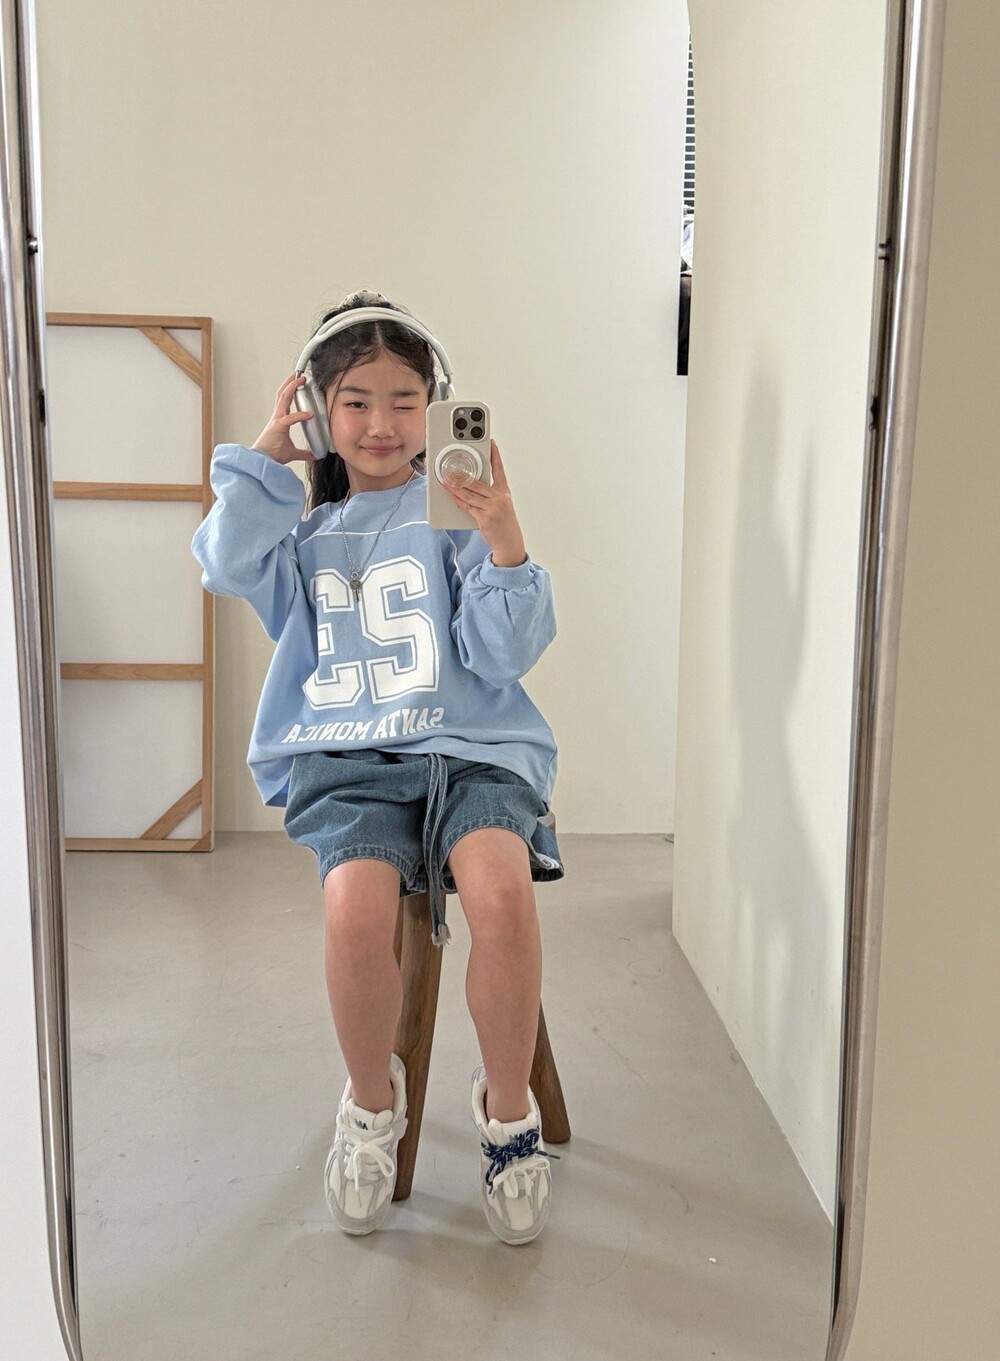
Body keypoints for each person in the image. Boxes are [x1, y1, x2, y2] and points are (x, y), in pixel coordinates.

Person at [191, 291, 565, 1245]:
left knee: (501, 896)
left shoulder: (455, 516)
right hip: (350, 763)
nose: (383, 423)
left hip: (474, 755)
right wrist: (267, 460)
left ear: (435, 408)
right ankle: (370, 1104)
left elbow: (503, 655)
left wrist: (504, 538)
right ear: (319, 411)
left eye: (405, 400)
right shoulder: (302, 534)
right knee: (355, 910)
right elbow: (224, 563)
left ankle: (508, 1115)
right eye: (355, 401)